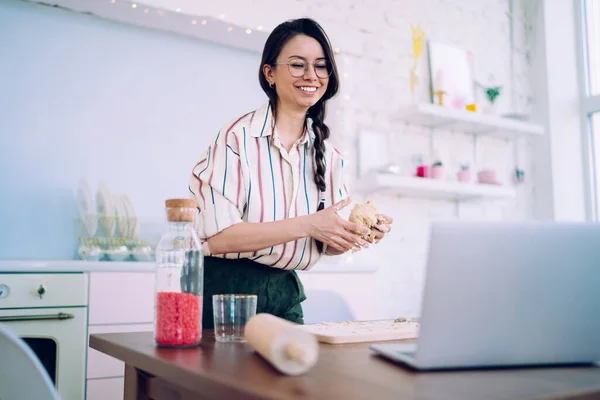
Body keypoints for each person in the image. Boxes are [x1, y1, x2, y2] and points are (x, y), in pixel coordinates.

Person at [189, 18, 393, 328]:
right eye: (297, 65)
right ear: (269, 73)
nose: (311, 75)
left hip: (286, 295)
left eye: (321, 66)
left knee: (293, 378)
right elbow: (219, 238)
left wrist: (355, 234)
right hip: (226, 295)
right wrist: (309, 225)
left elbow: (325, 244)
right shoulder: (236, 139)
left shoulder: (330, 155)